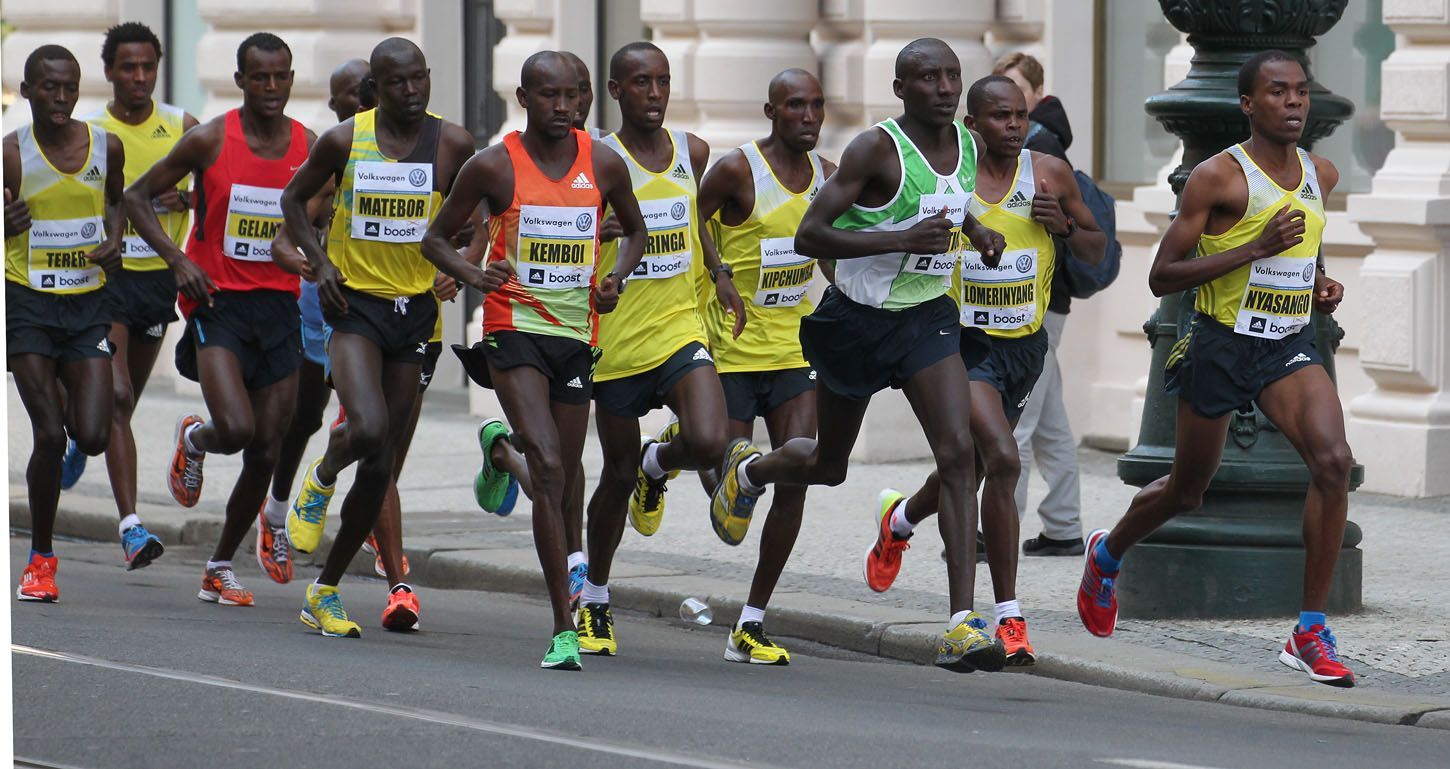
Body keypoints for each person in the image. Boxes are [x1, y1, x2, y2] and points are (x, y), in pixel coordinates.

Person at [709, 38, 1009, 674]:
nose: (945, 87)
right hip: (855, 323)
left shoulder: (969, 144)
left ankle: (961, 622)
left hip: (926, 320)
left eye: (952, 75)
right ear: (901, 89)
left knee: (960, 454)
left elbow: (954, 212)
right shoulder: (876, 148)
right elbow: (809, 233)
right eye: (927, 78)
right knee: (827, 465)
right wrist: (901, 236)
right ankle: (755, 472)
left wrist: (979, 233)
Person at [1077, 51, 1356, 688]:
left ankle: (1308, 629)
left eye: (1301, 92)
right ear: (1248, 106)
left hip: (1287, 343)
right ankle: (1108, 552)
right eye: (1278, 92)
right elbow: (1160, 276)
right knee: (1187, 488)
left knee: (1333, 462)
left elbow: (1305, 238)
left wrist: (1317, 281)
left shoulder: (1324, 173)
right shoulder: (1217, 178)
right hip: (1220, 343)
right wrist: (1253, 248)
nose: (1293, 102)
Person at [870, 76, 1106, 667]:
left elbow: (1099, 252)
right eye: (1000, 117)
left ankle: (899, 520)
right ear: (972, 125)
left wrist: (1067, 227)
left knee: (969, 466)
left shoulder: (1050, 174)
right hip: (958, 342)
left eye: (1020, 116)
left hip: (1024, 346)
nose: (1013, 126)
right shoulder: (952, 175)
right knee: (1002, 457)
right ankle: (1008, 617)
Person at [428, 51, 644, 669]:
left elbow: (635, 231)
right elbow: (434, 238)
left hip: (575, 332)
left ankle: (501, 450)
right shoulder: (493, 166)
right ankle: (562, 626)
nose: (564, 107)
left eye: (575, 96)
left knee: (563, 472)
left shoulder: (602, 161)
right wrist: (476, 273)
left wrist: (617, 279)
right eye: (550, 96)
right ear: (523, 97)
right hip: (512, 328)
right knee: (550, 463)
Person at [279, 37, 475, 639]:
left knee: (382, 464)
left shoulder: (456, 143)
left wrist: (461, 259)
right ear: (377, 88)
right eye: (398, 83)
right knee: (364, 428)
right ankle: (318, 479)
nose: (411, 92)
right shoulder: (344, 141)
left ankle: (326, 590)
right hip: (355, 306)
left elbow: (482, 213)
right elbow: (291, 201)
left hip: (415, 313)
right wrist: (320, 261)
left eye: (419, 79)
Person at [125, 33, 311, 609]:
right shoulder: (209, 139)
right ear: (241, 81)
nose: (272, 88)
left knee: (267, 449)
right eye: (260, 77)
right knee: (235, 429)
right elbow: (135, 197)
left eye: (281, 76)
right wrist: (178, 260)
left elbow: (324, 206)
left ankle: (220, 565)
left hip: (279, 308)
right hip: (218, 302)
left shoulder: (307, 145)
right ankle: (196, 438)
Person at [574, 41, 738, 658]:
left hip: (678, 327)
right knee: (613, 476)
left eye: (663, 82)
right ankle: (595, 596)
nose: (655, 93)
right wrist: (598, 235)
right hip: (615, 341)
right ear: (615, 91)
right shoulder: (594, 157)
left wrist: (718, 271)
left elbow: (697, 223)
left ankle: (658, 465)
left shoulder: (691, 153)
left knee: (709, 439)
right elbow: (558, 231)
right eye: (641, 83)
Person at [692, 68, 835, 665]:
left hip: (791, 346)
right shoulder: (736, 170)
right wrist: (720, 274)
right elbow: (691, 221)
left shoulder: (829, 176)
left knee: (797, 472)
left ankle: (750, 622)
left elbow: (830, 250)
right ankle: (675, 449)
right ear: (771, 111)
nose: (808, 115)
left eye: (816, 105)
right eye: (795, 105)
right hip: (728, 345)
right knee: (720, 474)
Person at [5, 45, 125, 602]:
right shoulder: (10, 154)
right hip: (27, 302)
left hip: (87, 306)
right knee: (49, 434)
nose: (60, 97)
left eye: (70, 87)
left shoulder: (106, 145)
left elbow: (118, 202)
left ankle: (70, 404)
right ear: (26, 90)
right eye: (49, 87)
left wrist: (115, 239)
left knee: (95, 435)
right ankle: (41, 560)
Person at [78, 22, 198, 570]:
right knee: (120, 396)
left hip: (157, 281)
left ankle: (86, 430)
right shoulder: (89, 131)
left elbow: (217, 194)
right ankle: (130, 526)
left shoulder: (182, 127)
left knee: (121, 404)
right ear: (109, 72)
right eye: (128, 67)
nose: (140, 77)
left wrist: (186, 196)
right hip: (106, 278)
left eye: (148, 66)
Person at [258, 58, 376, 586]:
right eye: (356, 93)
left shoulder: (411, 155)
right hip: (322, 306)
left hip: (375, 316)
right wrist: (302, 259)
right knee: (306, 418)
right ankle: (279, 510)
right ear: (336, 105)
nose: (367, 99)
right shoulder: (333, 157)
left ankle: (383, 546)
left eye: (373, 89)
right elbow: (285, 234)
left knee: (372, 426)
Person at [995, 51, 1086, 557]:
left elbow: (1073, 228)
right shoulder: (1036, 138)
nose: (1008, 108)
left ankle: (996, 526)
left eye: (1015, 91)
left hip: (1038, 299)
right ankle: (1064, 525)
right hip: (1038, 298)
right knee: (1048, 416)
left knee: (1020, 417)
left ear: (1035, 93)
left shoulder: (1041, 146)